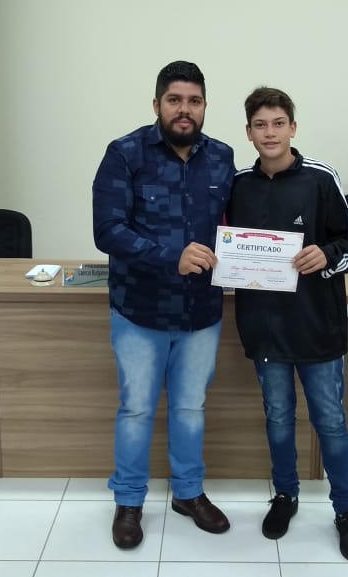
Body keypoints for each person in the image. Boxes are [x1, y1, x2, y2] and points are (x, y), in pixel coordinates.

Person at [91, 61, 235, 550]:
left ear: (204, 106)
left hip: (201, 312)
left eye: (194, 101)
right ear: (157, 104)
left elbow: (235, 226)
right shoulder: (124, 153)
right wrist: (170, 256)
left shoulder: (222, 157)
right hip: (141, 311)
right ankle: (129, 501)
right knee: (136, 410)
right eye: (175, 100)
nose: (184, 110)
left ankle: (188, 493)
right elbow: (107, 230)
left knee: (191, 408)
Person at [227, 86, 348, 562]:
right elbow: (227, 243)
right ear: (249, 133)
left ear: (293, 127)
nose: (270, 133)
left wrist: (324, 254)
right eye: (260, 125)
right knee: (278, 419)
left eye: (278, 123)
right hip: (264, 329)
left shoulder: (320, 178)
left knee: (330, 421)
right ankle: (285, 495)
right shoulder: (238, 184)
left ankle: (347, 510)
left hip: (316, 327)